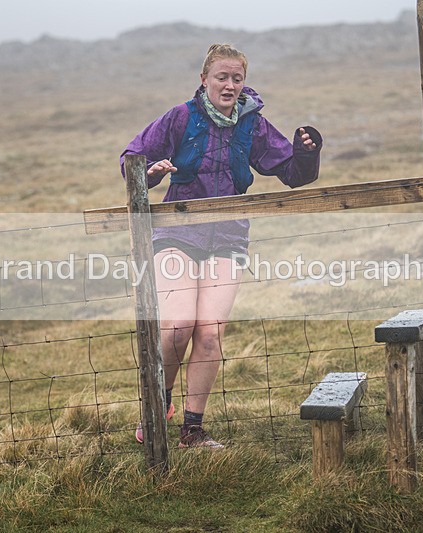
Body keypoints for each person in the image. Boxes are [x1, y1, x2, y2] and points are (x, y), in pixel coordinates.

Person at [121, 43, 322, 448]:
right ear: (204, 80)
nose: (229, 85)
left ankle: (192, 430)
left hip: (228, 237)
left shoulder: (253, 124)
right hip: (176, 234)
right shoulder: (180, 118)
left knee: (209, 334)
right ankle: (157, 406)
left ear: (243, 83)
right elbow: (131, 159)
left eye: (237, 78)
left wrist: (305, 153)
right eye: (221, 77)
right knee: (178, 327)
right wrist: (154, 172)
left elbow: (290, 173)